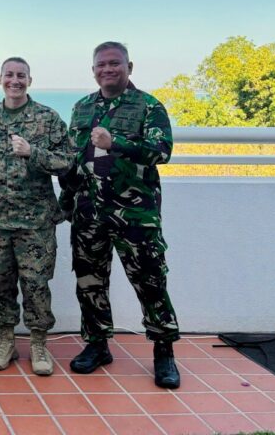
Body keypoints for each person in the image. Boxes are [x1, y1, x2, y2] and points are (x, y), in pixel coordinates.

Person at [59, 41, 180, 388]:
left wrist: (117, 144)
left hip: (135, 215)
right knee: (89, 282)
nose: (107, 70)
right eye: (101, 65)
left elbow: (161, 152)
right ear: (93, 69)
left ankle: (164, 351)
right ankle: (97, 345)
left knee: (150, 282)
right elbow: (74, 158)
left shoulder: (148, 106)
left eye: (114, 63)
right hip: (88, 213)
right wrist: (65, 199)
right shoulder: (82, 108)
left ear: (129, 66)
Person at [0, 57, 72, 375]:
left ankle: (38, 343)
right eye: (9, 75)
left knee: (35, 284)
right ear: (0, 79)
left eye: (21, 76)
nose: (15, 81)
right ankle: (6, 340)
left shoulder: (48, 118)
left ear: (29, 81)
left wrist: (34, 153)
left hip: (35, 221)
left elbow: (67, 161)